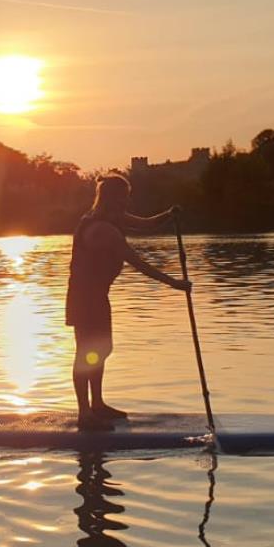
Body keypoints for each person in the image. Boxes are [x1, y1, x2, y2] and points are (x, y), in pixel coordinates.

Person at [66, 175, 190, 431]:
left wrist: (168, 215)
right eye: (124, 195)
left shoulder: (113, 219)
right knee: (87, 352)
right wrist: (174, 284)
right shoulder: (102, 229)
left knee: (101, 349)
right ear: (112, 198)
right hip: (84, 297)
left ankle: (97, 405)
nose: (127, 200)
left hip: (98, 296)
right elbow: (139, 263)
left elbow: (146, 225)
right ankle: (84, 414)